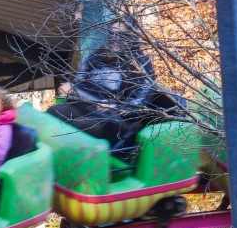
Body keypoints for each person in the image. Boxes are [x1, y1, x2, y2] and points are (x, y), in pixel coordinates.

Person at [49, 19, 184, 155]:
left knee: (80, 128)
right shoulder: (97, 56)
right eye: (112, 34)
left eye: (121, 35)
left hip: (119, 124)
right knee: (54, 112)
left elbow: (139, 105)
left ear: (131, 37)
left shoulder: (141, 65)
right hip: (87, 109)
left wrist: (115, 107)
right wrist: (72, 89)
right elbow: (80, 83)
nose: (114, 39)